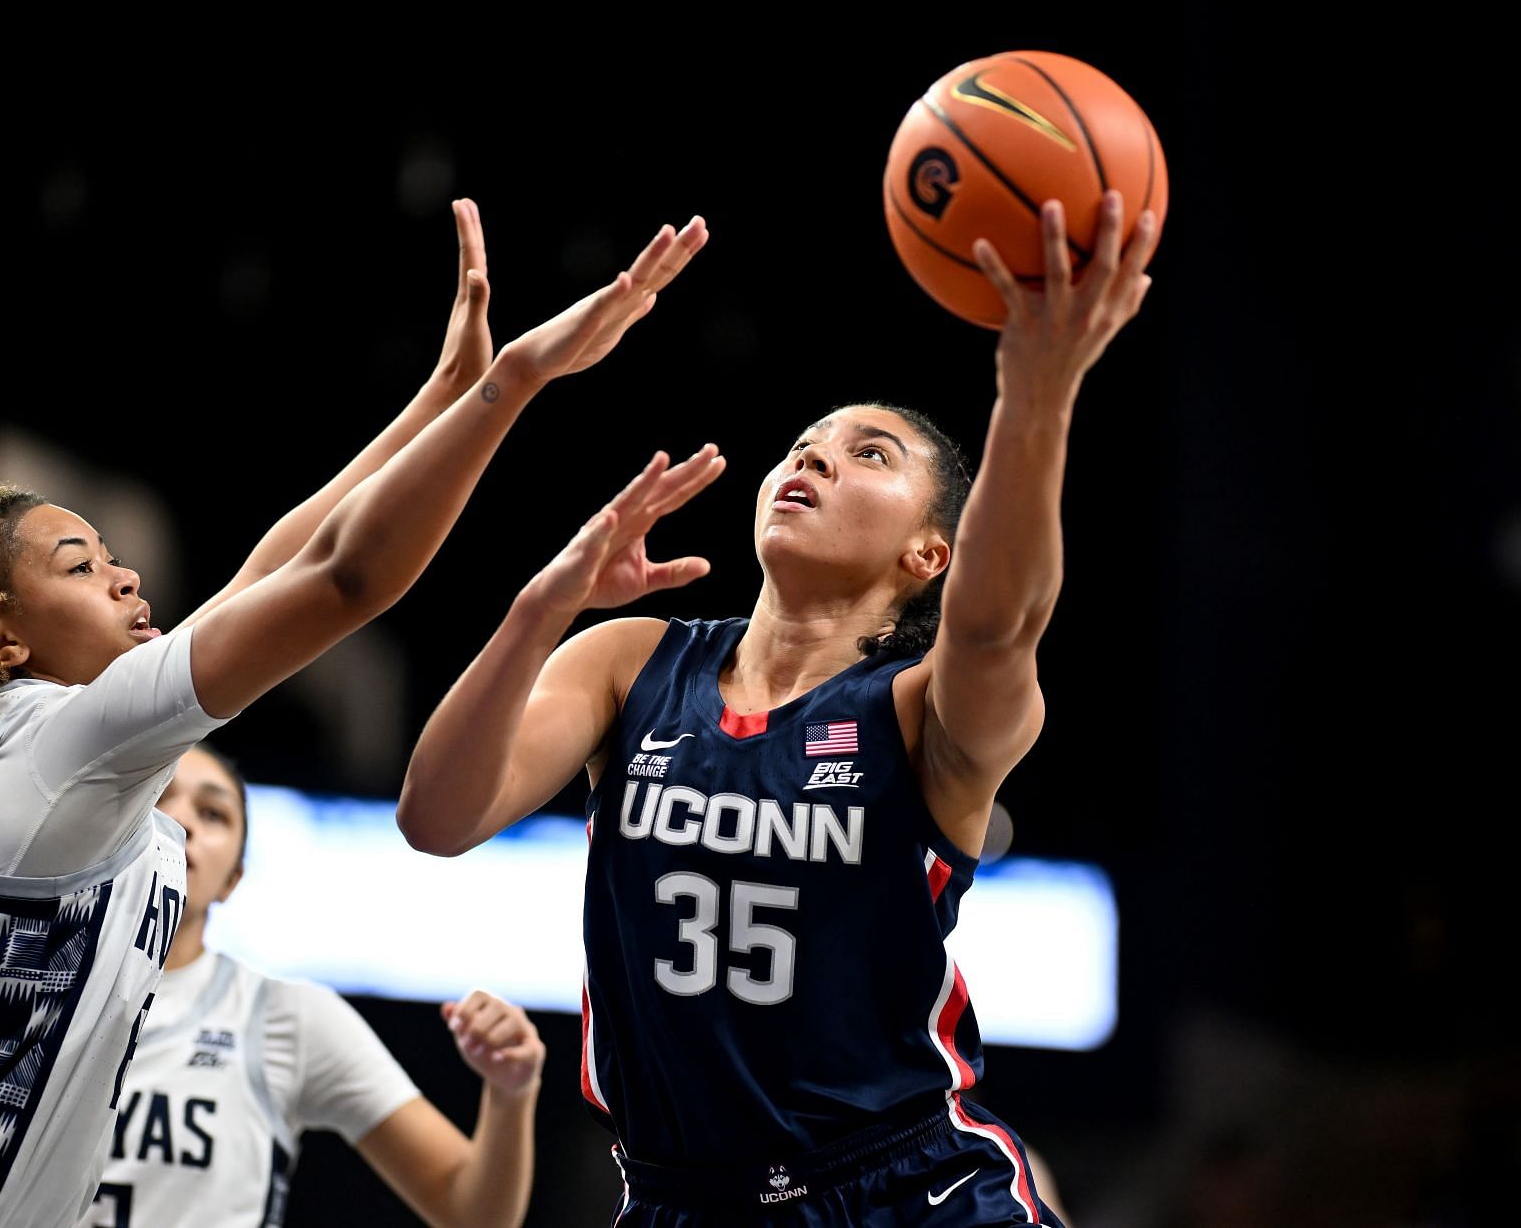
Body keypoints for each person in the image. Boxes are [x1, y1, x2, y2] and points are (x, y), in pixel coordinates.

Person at [0, 199, 710, 1228]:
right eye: (80, 564)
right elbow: (344, 578)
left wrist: (444, 398)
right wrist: (513, 386)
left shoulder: (46, 745)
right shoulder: (50, 744)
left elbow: (265, 572)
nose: (126, 575)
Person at [397, 192, 1157, 1224]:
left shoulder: (922, 709)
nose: (814, 458)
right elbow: (436, 818)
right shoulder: (631, 659)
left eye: (868, 454)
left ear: (927, 553)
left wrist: (1038, 394)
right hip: (680, 1196)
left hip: (908, 1186)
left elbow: (998, 622)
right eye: (806, 444)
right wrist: (544, 605)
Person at [81, 744, 545, 1228]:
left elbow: (475, 1215)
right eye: (158, 794)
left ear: (232, 881)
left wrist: (510, 1092)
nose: (182, 823)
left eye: (213, 813)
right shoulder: (19, 977)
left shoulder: (283, 1014)